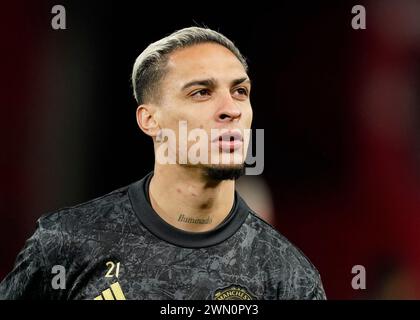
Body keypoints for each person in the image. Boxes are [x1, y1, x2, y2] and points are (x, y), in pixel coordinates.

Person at [0, 27, 326, 300]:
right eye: (201, 92)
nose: (232, 109)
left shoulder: (290, 277)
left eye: (240, 91)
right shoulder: (66, 243)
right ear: (150, 120)